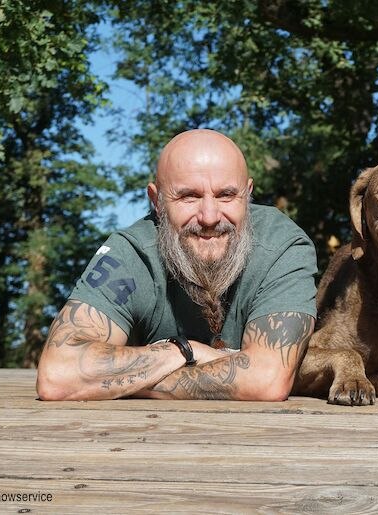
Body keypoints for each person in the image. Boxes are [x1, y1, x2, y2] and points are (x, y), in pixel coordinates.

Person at [36, 129, 317, 401]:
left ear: (248, 193)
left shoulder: (282, 245)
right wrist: (182, 352)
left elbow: (267, 381)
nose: (209, 216)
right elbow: (58, 375)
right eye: (188, 196)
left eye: (226, 195)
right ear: (156, 201)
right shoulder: (131, 253)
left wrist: (116, 382)